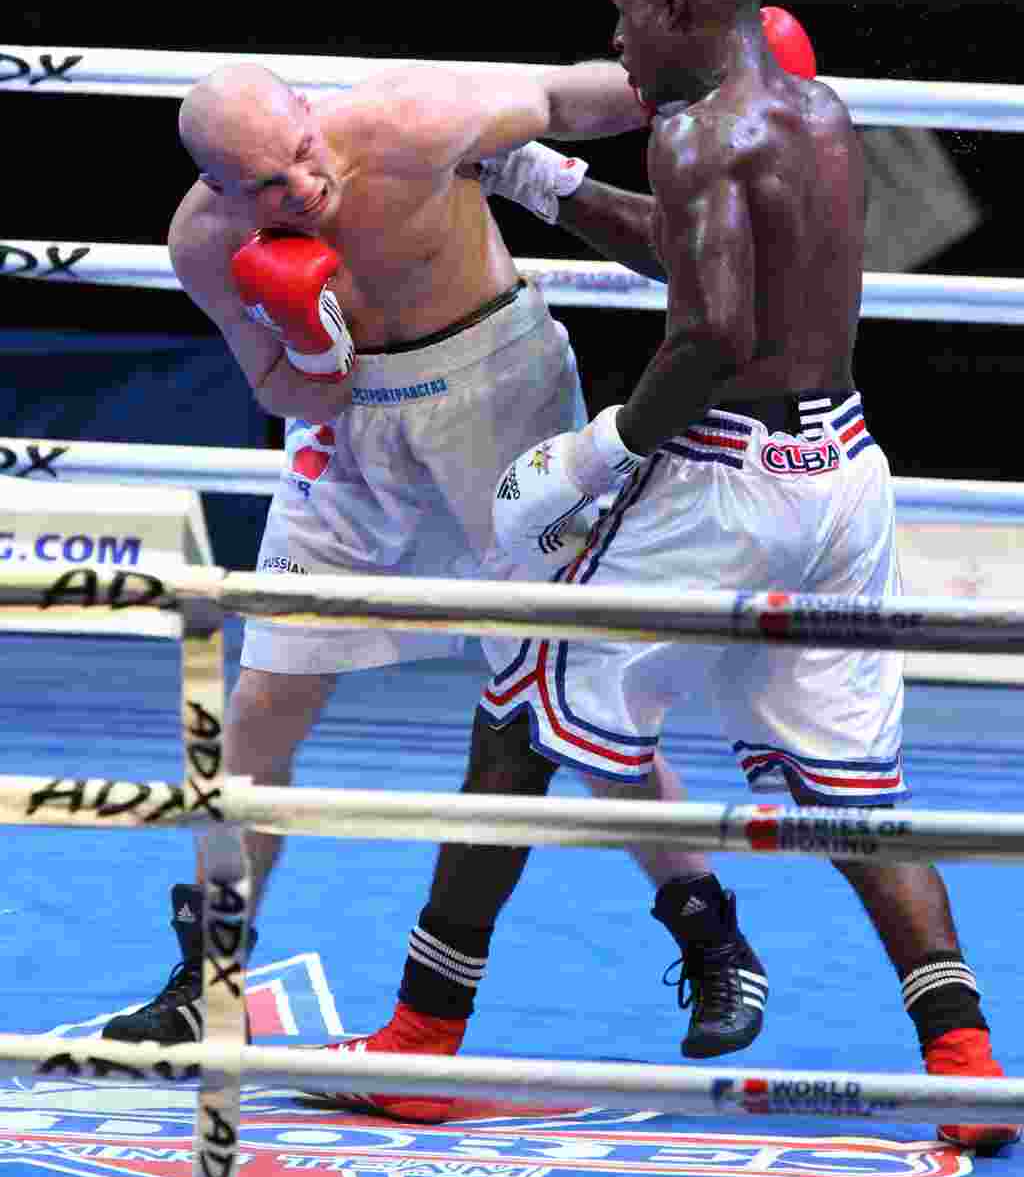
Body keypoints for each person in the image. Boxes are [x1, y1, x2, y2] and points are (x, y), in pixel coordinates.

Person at [317, 0, 1019, 1153]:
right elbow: (705, 260)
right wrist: (555, 185)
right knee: (852, 785)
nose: (614, 40)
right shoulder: (821, 117)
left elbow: (709, 333)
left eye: (627, 13)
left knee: (521, 707)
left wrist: (599, 454)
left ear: (683, 10)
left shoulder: (691, 134)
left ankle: (419, 1044)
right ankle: (962, 1054)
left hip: (725, 484)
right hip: (843, 474)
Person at [101, 53, 765, 1061]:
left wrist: (690, 81)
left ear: (309, 115)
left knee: (571, 692)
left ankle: (714, 938)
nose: (303, 187)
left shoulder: (409, 123)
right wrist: (314, 349)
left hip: (497, 398)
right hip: (351, 433)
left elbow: (561, 99)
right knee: (259, 707)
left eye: (303, 152)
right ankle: (205, 977)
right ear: (225, 190)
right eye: (270, 184)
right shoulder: (205, 241)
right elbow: (284, 391)